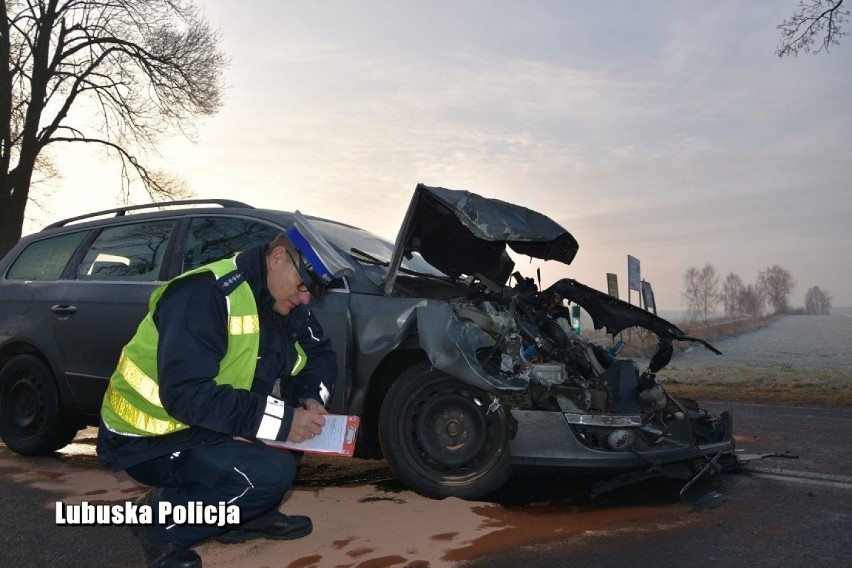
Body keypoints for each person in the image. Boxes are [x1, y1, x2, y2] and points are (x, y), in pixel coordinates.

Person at [97, 211, 354, 568]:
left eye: (313, 291)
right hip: (151, 435)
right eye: (303, 284)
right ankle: (161, 526)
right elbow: (186, 396)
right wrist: (283, 422)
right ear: (278, 258)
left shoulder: (283, 301)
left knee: (292, 437)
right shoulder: (206, 294)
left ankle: (248, 513)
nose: (307, 298)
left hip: (206, 421)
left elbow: (320, 354)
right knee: (268, 470)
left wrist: (310, 399)